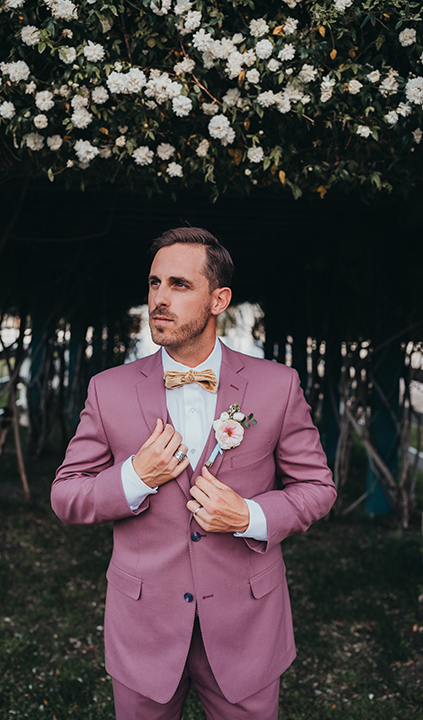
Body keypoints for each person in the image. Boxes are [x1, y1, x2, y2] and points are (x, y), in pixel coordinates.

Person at [51, 227, 336, 720]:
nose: (159, 298)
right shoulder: (108, 389)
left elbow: (318, 489)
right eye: (154, 283)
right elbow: (66, 496)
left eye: (179, 285)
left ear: (218, 299)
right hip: (144, 627)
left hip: (247, 627)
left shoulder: (277, 386)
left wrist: (248, 515)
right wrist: (134, 478)